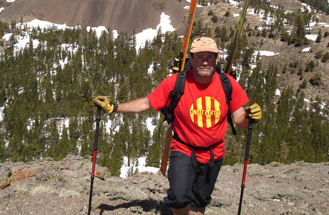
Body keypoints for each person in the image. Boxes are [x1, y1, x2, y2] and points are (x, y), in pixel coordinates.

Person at [94, 36, 262, 215]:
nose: (205, 61)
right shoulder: (177, 82)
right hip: (184, 150)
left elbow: (239, 120)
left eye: (210, 57)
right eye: (199, 57)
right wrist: (114, 108)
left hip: (214, 154)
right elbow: (147, 103)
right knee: (179, 197)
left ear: (216, 59)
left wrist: (250, 117)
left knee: (200, 202)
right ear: (191, 59)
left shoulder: (228, 84)